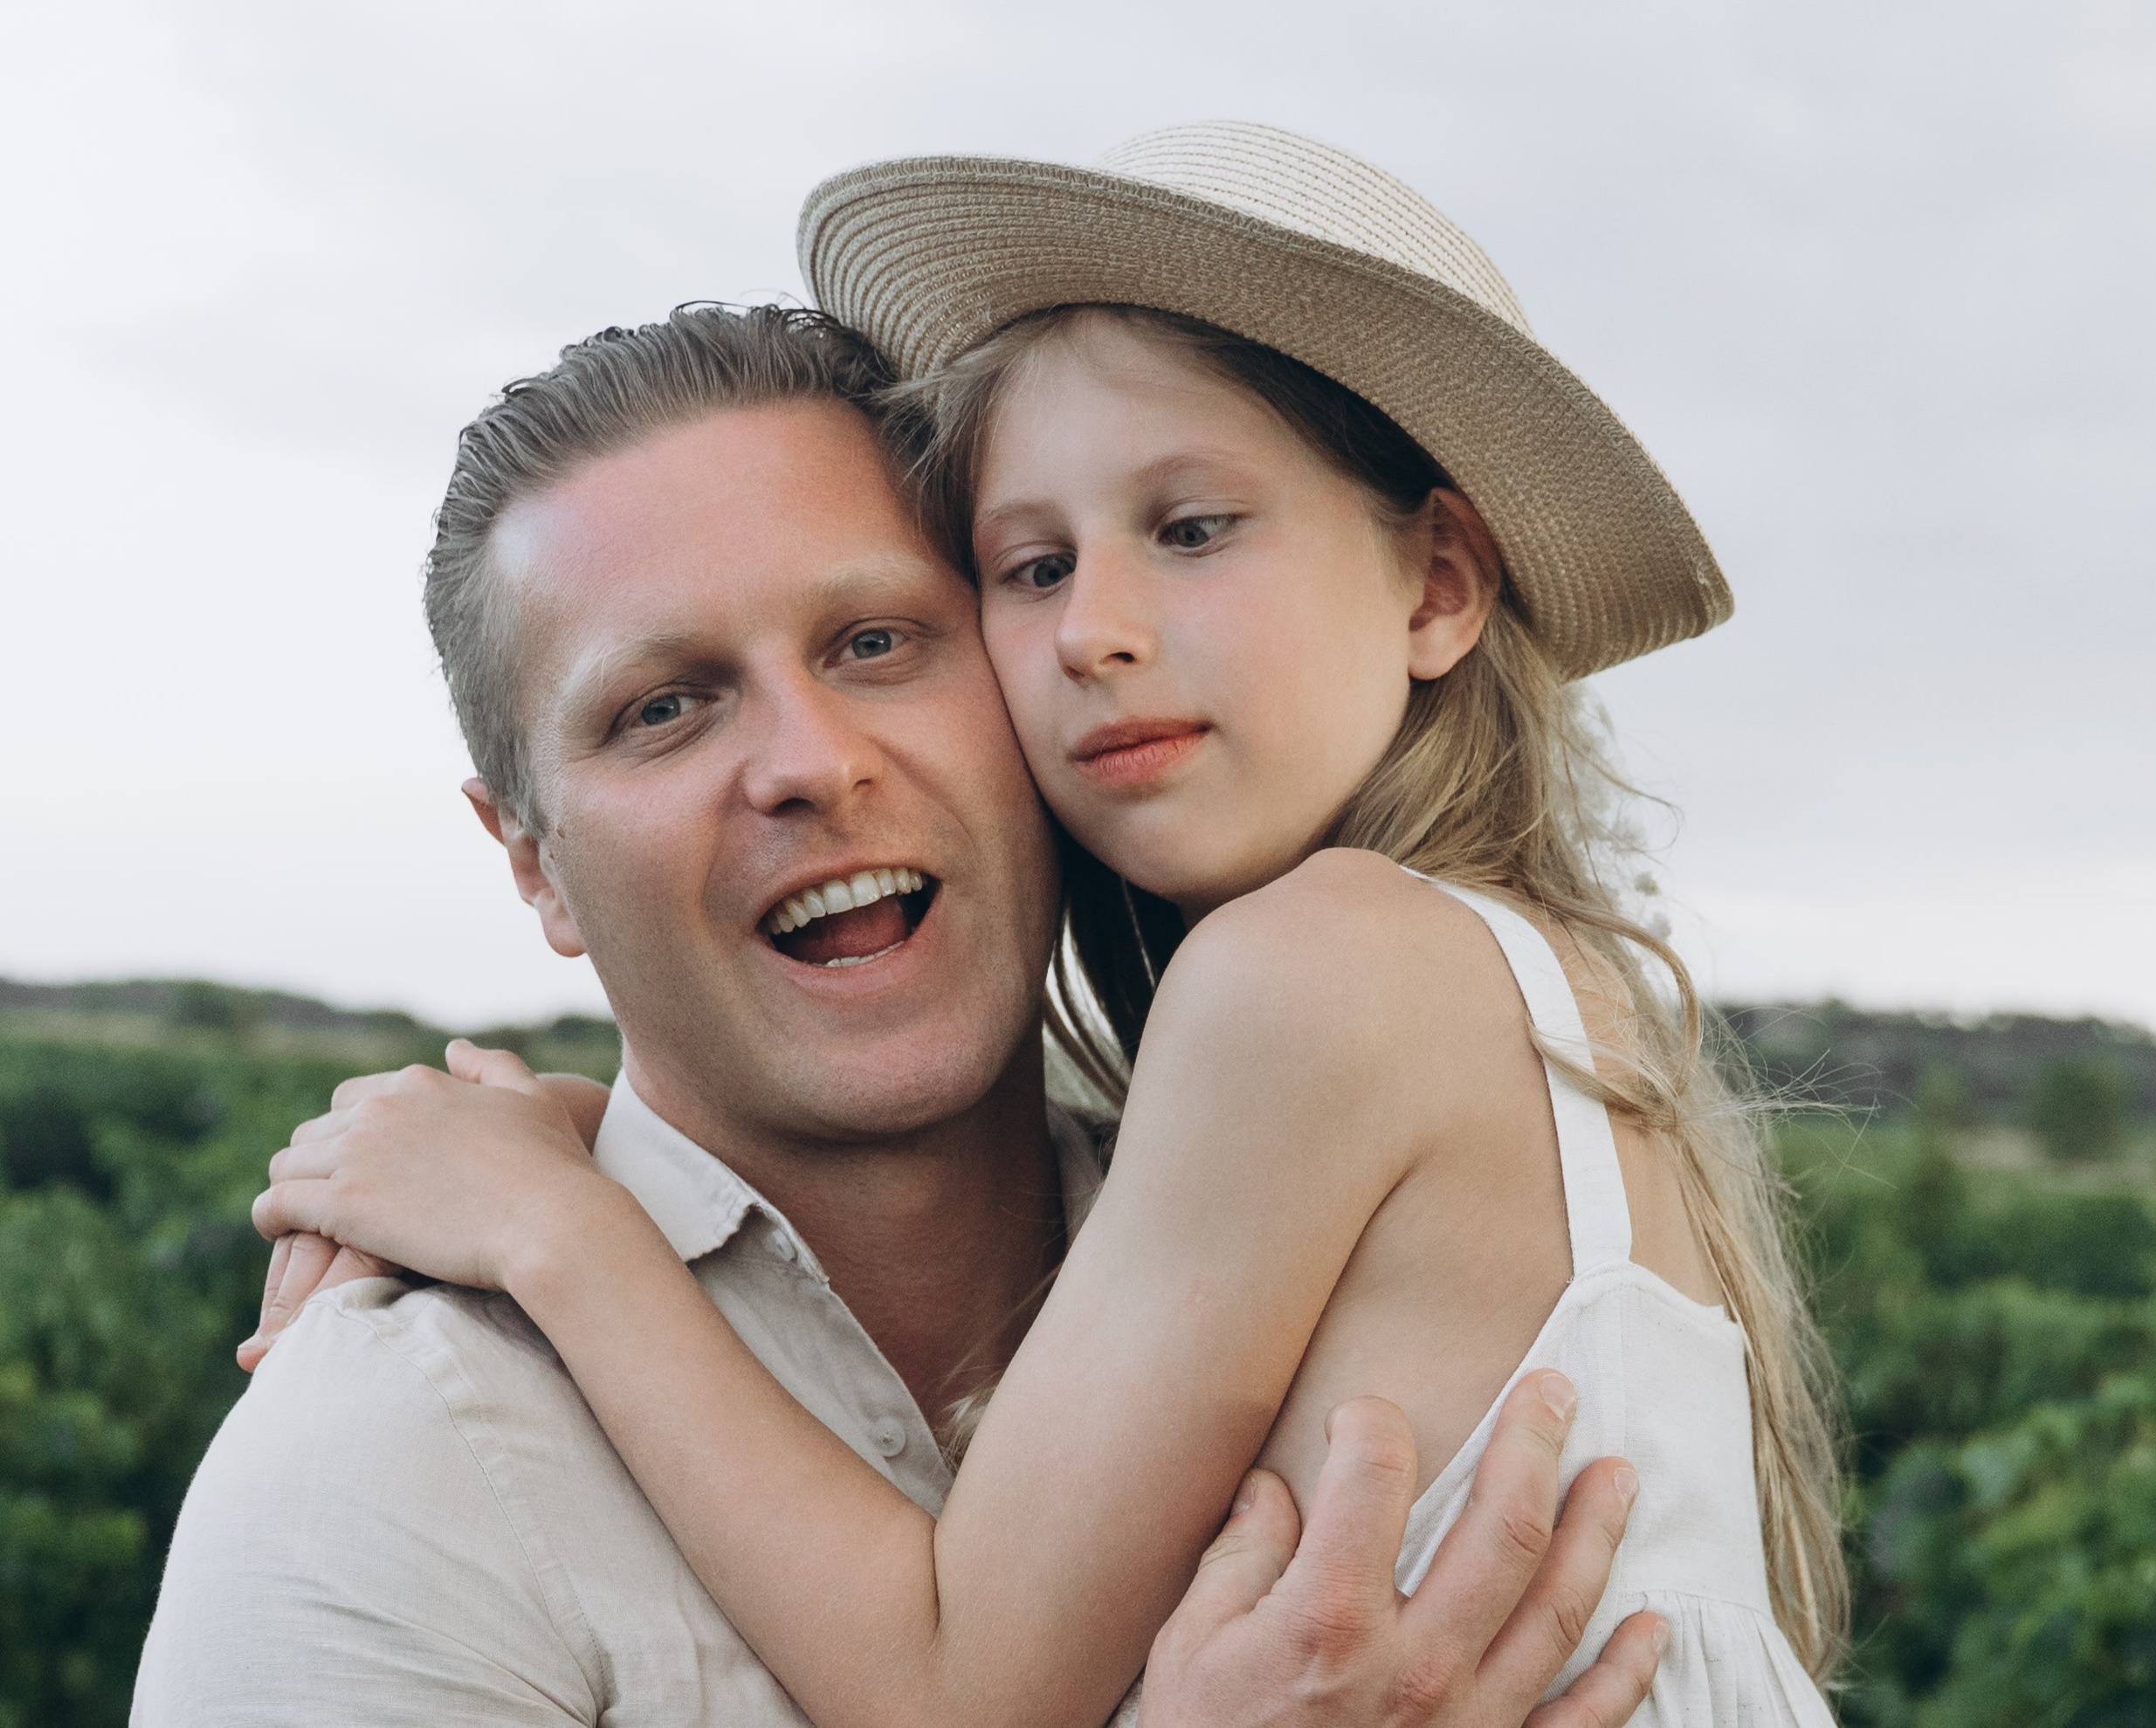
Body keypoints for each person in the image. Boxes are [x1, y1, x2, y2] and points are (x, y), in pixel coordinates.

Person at [247, 125, 1847, 1725]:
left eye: (1195, 529)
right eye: (1032, 564)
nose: (1096, 631)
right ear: (524, 855)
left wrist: (570, 1235)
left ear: (1438, 584)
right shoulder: (1511, 996)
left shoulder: (1308, 982)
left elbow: (954, 1695)